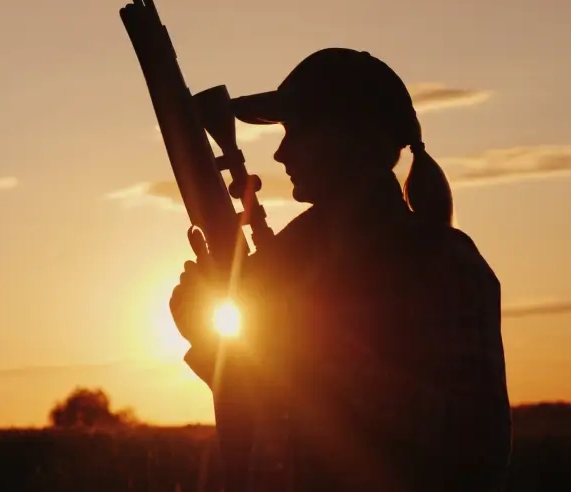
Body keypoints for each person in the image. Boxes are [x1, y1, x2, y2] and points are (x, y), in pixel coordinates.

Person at [169, 48, 512, 492]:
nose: (280, 152)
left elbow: (475, 449)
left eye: (299, 132)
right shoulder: (290, 257)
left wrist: (307, 348)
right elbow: (271, 411)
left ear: (354, 140)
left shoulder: (443, 264)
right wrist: (207, 338)